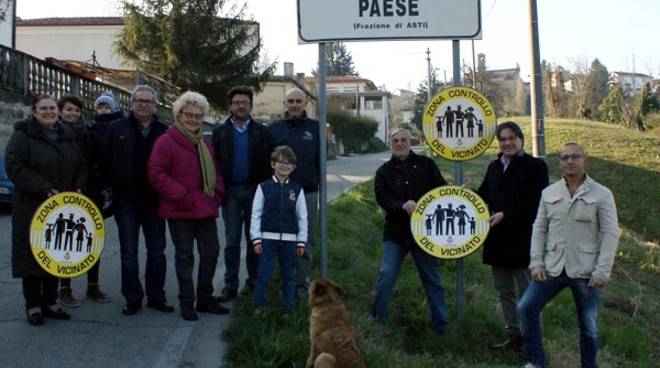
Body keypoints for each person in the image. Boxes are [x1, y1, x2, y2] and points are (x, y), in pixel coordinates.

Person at [519, 143, 619, 368]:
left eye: (575, 157)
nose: (570, 162)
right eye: (565, 158)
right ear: (560, 163)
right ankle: (536, 362)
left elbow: (610, 234)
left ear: (586, 159)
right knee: (525, 307)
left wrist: (602, 271)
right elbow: (539, 229)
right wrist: (536, 263)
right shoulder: (549, 193)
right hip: (552, 267)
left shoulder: (602, 194)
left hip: (586, 271)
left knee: (589, 327)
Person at [5, 94, 88, 325]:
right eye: (44, 108)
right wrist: (45, 189)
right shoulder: (22, 136)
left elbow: (81, 165)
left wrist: (79, 187)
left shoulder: (67, 136)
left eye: (52, 108)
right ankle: (33, 307)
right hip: (31, 207)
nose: (49, 111)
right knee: (32, 257)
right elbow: (15, 167)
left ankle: (50, 303)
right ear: (34, 111)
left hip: (60, 209)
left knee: (55, 255)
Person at [149, 91, 229, 321]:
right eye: (189, 115)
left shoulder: (203, 143)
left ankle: (205, 298)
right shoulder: (166, 141)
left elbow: (215, 170)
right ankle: (187, 302)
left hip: (205, 208)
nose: (193, 119)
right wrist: (182, 195)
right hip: (180, 209)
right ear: (179, 115)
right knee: (185, 257)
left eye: (198, 115)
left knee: (211, 253)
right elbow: (156, 173)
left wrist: (217, 194)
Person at [477, 121, 549, 351]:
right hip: (497, 240)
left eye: (511, 138)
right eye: (503, 139)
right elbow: (482, 196)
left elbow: (536, 203)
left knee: (529, 295)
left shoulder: (536, 167)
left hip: (524, 241)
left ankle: (532, 342)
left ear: (521, 140)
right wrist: (458, 197)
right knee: (505, 292)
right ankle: (514, 337)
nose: (507, 143)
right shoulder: (493, 167)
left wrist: (506, 215)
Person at [371, 128, 449, 335]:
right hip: (395, 233)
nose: (400, 143)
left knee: (432, 279)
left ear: (410, 141)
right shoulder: (383, 171)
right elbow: (382, 197)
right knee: (386, 275)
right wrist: (401, 205)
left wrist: (424, 204)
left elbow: (440, 189)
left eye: (403, 140)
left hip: (423, 234)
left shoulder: (427, 165)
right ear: (390, 144)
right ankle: (376, 323)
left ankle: (441, 328)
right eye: (395, 140)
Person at [104, 85, 173, 316]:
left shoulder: (165, 132)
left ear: (155, 105)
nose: (143, 104)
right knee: (129, 252)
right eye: (139, 100)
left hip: (155, 201)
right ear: (131, 103)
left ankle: (156, 297)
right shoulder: (116, 129)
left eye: (148, 101)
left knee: (157, 251)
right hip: (127, 201)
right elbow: (105, 161)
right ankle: (132, 298)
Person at [212, 86, 272, 302]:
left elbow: (270, 163)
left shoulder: (262, 132)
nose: (240, 106)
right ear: (230, 106)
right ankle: (230, 285)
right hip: (231, 192)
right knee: (232, 240)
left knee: (255, 238)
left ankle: (254, 283)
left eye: (244, 102)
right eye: (236, 102)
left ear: (250, 106)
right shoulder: (219, 133)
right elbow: (215, 164)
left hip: (256, 190)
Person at [56, 95, 111, 307]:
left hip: (89, 192)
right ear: (61, 111)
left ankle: (93, 286)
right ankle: (64, 288)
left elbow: (91, 162)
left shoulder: (86, 133)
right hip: (63, 193)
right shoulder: (54, 133)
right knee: (65, 240)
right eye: (69, 109)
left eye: (76, 110)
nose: (73, 114)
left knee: (91, 239)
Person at [269, 88, 319, 299]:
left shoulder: (316, 128)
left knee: (304, 240)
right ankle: (284, 283)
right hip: (281, 192)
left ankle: (301, 284)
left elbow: (320, 161)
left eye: (299, 100)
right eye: (291, 101)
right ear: (285, 103)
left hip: (307, 193)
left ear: (306, 103)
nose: (295, 104)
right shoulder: (274, 129)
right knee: (283, 238)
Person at [250, 145, 307, 315]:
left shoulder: (297, 190)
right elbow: (256, 214)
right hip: (267, 240)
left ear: (294, 167)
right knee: (264, 275)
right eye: (281, 162)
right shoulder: (264, 187)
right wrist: (257, 239)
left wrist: (301, 241)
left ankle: (287, 309)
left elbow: (302, 218)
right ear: (273, 164)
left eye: (289, 163)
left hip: (290, 242)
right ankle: (259, 306)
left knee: (289, 277)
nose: (284, 165)